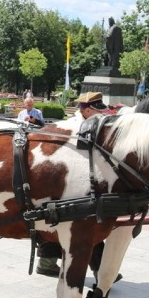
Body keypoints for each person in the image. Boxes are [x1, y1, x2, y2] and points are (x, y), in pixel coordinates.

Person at [36, 90, 116, 281]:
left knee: (61, 226)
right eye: (98, 110)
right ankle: (100, 272)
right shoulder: (73, 127)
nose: (102, 113)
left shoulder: (89, 124)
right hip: (64, 183)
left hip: (76, 182)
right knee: (86, 226)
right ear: (87, 111)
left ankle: (46, 263)